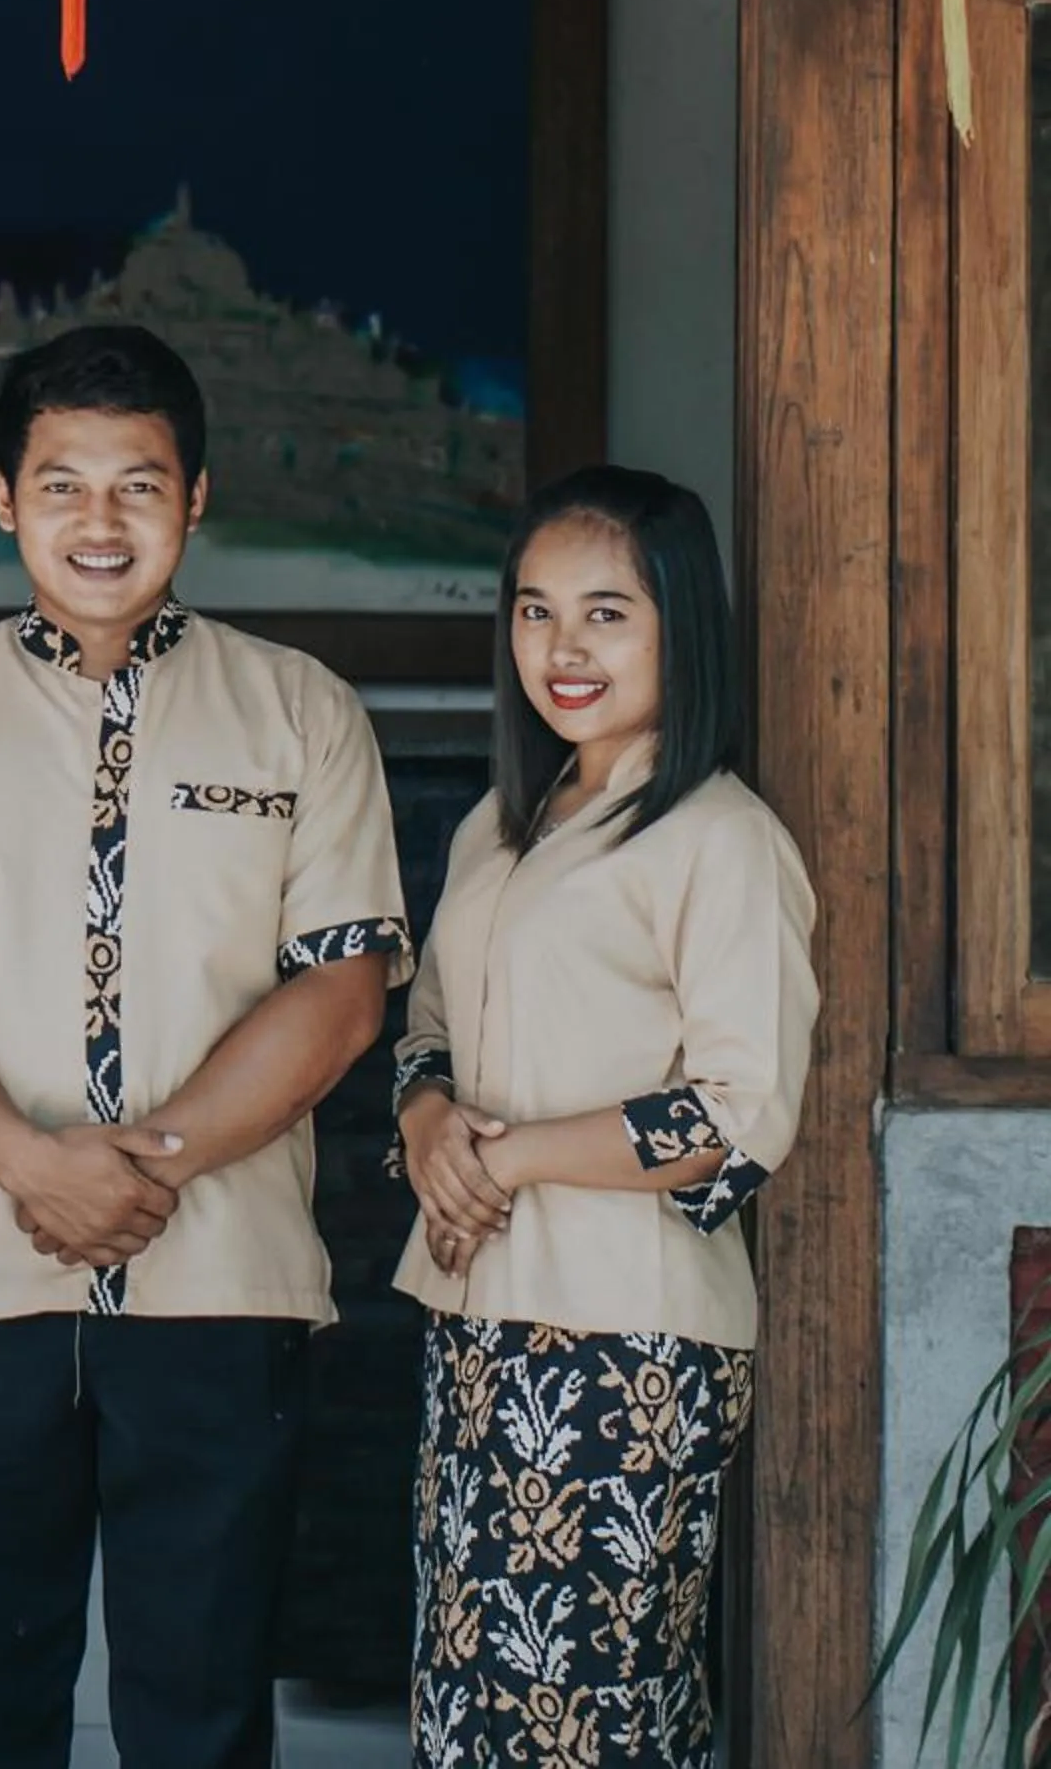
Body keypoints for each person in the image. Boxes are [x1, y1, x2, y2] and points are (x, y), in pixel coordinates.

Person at [0, 322, 410, 1769]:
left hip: (224, 1288)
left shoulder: (300, 712)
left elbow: (342, 993)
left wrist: (148, 1165)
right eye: (62, 484)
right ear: (3, 498)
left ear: (198, 500)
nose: (100, 521)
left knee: (199, 1714)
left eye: (139, 485)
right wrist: (30, 1167)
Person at [393, 465, 817, 1769]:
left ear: (682, 624)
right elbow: (429, 1029)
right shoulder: (498, 825)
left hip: (628, 1343)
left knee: (593, 1714)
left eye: (606, 613)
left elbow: (742, 1112)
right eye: (533, 611)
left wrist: (509, 1155)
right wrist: (424, 1123)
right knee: (474, 1709)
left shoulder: (719, 838)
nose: (561, 648)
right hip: (480, 1326)